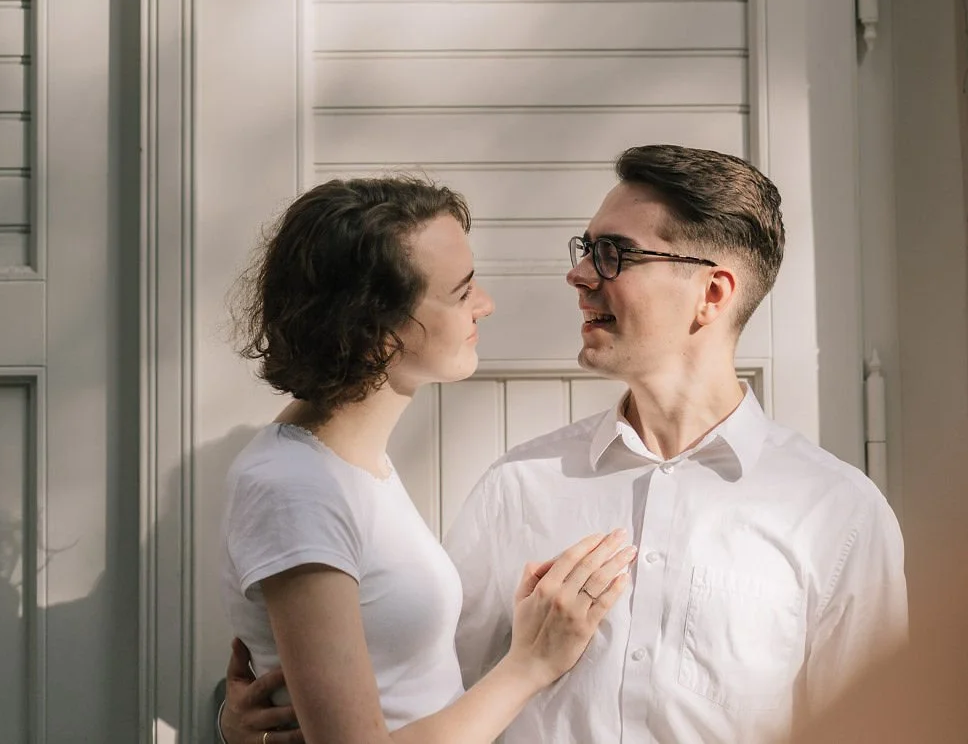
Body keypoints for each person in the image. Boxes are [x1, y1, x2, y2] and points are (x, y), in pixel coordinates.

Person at [222, 146, 907, 744]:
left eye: (614, 254)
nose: (579, 275)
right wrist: (240, 724)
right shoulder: (520, 485)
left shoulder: (837, 516)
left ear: (712, 293)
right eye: (586, 248)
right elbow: (409, 692)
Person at [219, 174, 636, 744]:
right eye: (461, 292)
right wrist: (531, 664)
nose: (485, 305)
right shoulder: (296, 488)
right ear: (375, 329)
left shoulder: (349, 468)